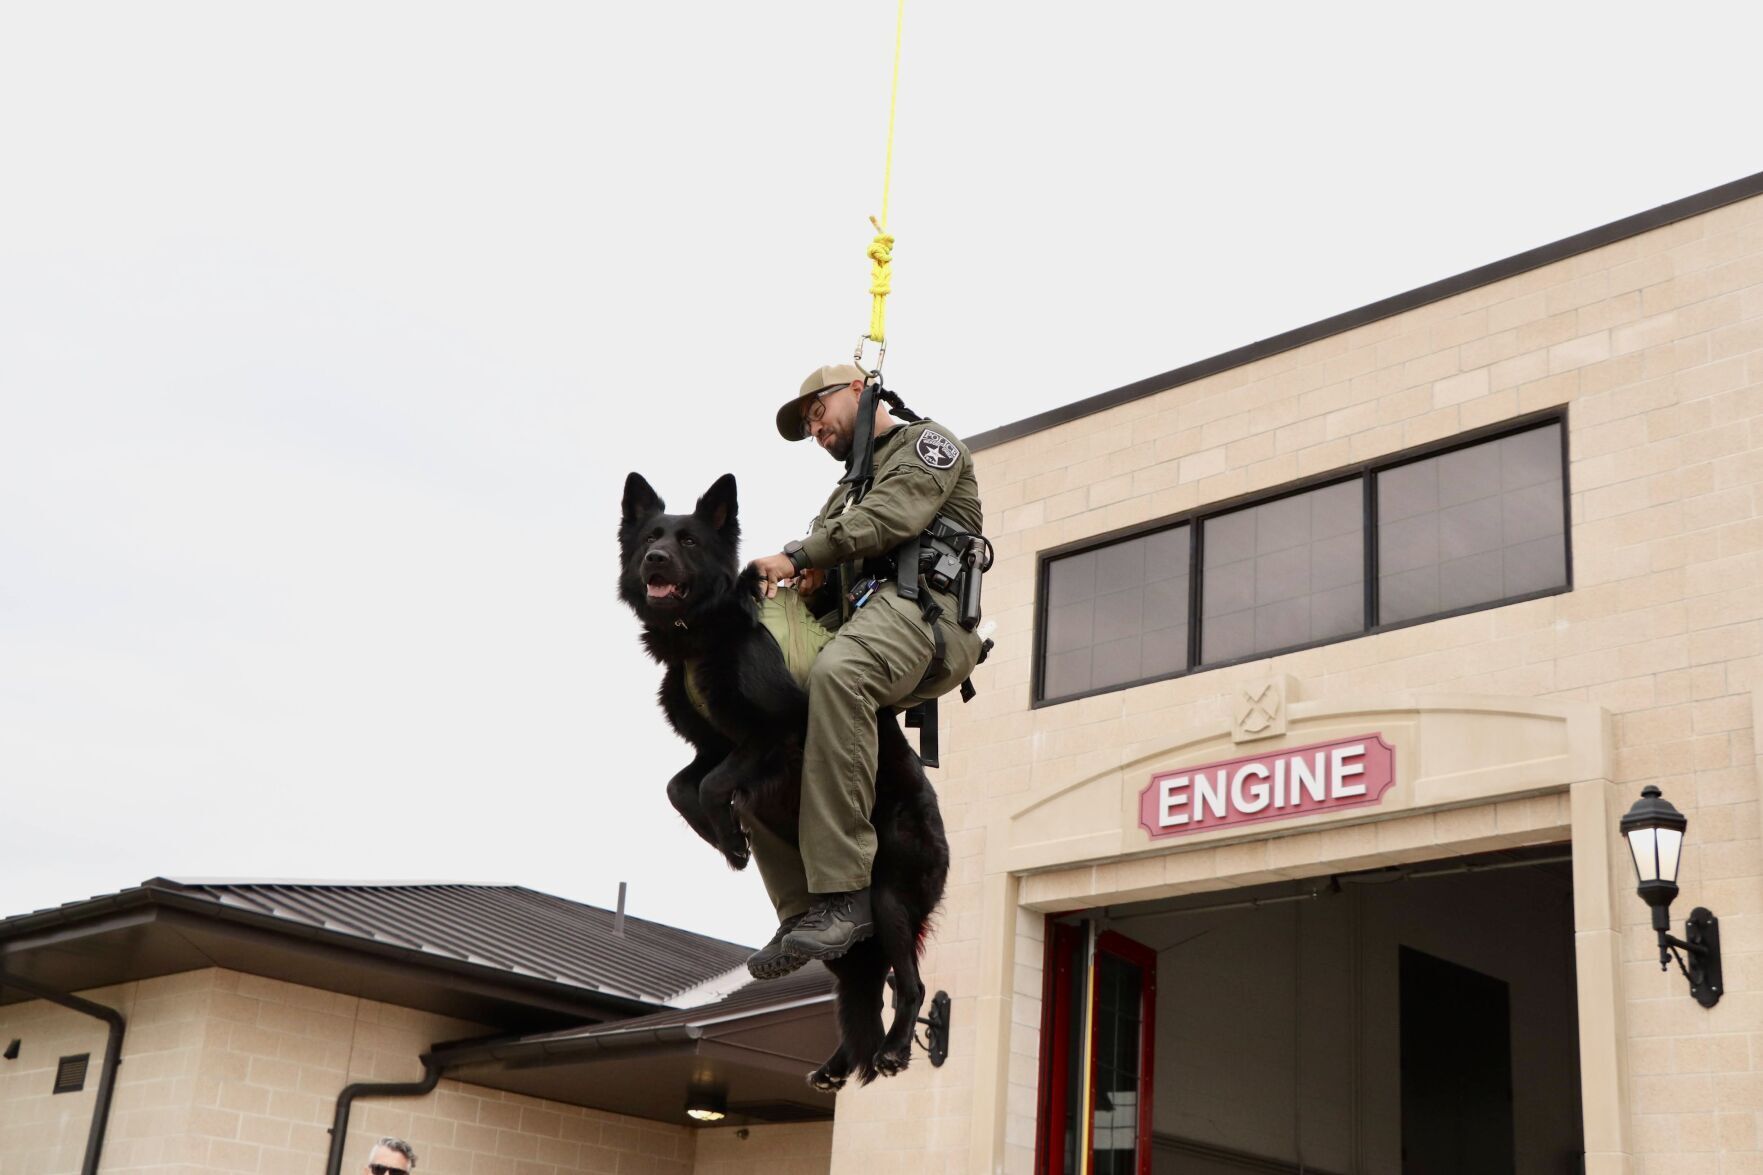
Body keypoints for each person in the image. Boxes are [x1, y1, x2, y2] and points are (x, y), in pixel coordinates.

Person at [742, 362, 984, 975]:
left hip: (924, 618)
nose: (815, 430)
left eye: (817, 413)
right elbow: (829, 564)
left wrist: (799, 554)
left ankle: (845, 893)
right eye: (807, 427)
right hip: (866, 624)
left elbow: (888, 521)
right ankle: (801, 911)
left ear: (858, 389)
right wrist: (798, 582)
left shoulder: (928, 445)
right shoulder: (841, 495)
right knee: (761, 726)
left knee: (840, 673)